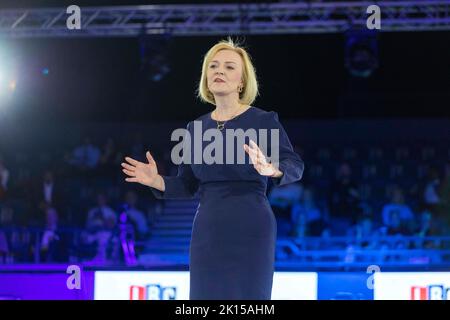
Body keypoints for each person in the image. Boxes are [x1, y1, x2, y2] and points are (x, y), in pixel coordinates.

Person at [121, 38, 304, 300]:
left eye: (229, 67)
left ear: (242, 81)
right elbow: (187, 185)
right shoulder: (195, 128)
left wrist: (272, 169)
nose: (219, 71)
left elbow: (295, 165)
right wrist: (157, 181)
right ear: (206, 77)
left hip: (252, 226)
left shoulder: (263, 120)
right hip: (208, 229)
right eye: (213, 66)